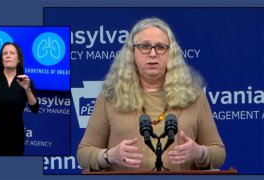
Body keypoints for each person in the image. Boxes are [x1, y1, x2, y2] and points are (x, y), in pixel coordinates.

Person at [77, 17, 226, 171]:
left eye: (160, 47)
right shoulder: (111, 96)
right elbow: (84, 153)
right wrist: (109, 156)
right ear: (132, 52)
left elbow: (218, 152)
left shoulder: (194, 95)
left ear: (171, 53)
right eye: (145, 46)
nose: (153, 54)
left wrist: (200, 153)